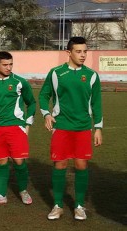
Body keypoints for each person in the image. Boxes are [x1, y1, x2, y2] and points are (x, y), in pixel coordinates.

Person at [38, 37, 103, 220]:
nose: (83, 55)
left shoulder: (91, 75)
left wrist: (98, 128)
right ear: (69, 52)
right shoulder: (56, 73)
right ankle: (58, 205)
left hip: (83, 127)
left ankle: (79, 206)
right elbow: (44, 96)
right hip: (62, 127)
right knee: (60, 164)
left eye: (85, 52)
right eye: (78, 51)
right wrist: (47, 114)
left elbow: (97, 104)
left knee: (81, 165)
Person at [0, 51, 36, 205]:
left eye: (11, 64)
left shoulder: (20, 82)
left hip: (16, 127)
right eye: (5, 65)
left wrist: (28, 124)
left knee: (19, 161)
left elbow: (31, 103)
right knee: (1, 162)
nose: (9, 67)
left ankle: (23, 190)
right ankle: (0, 194)